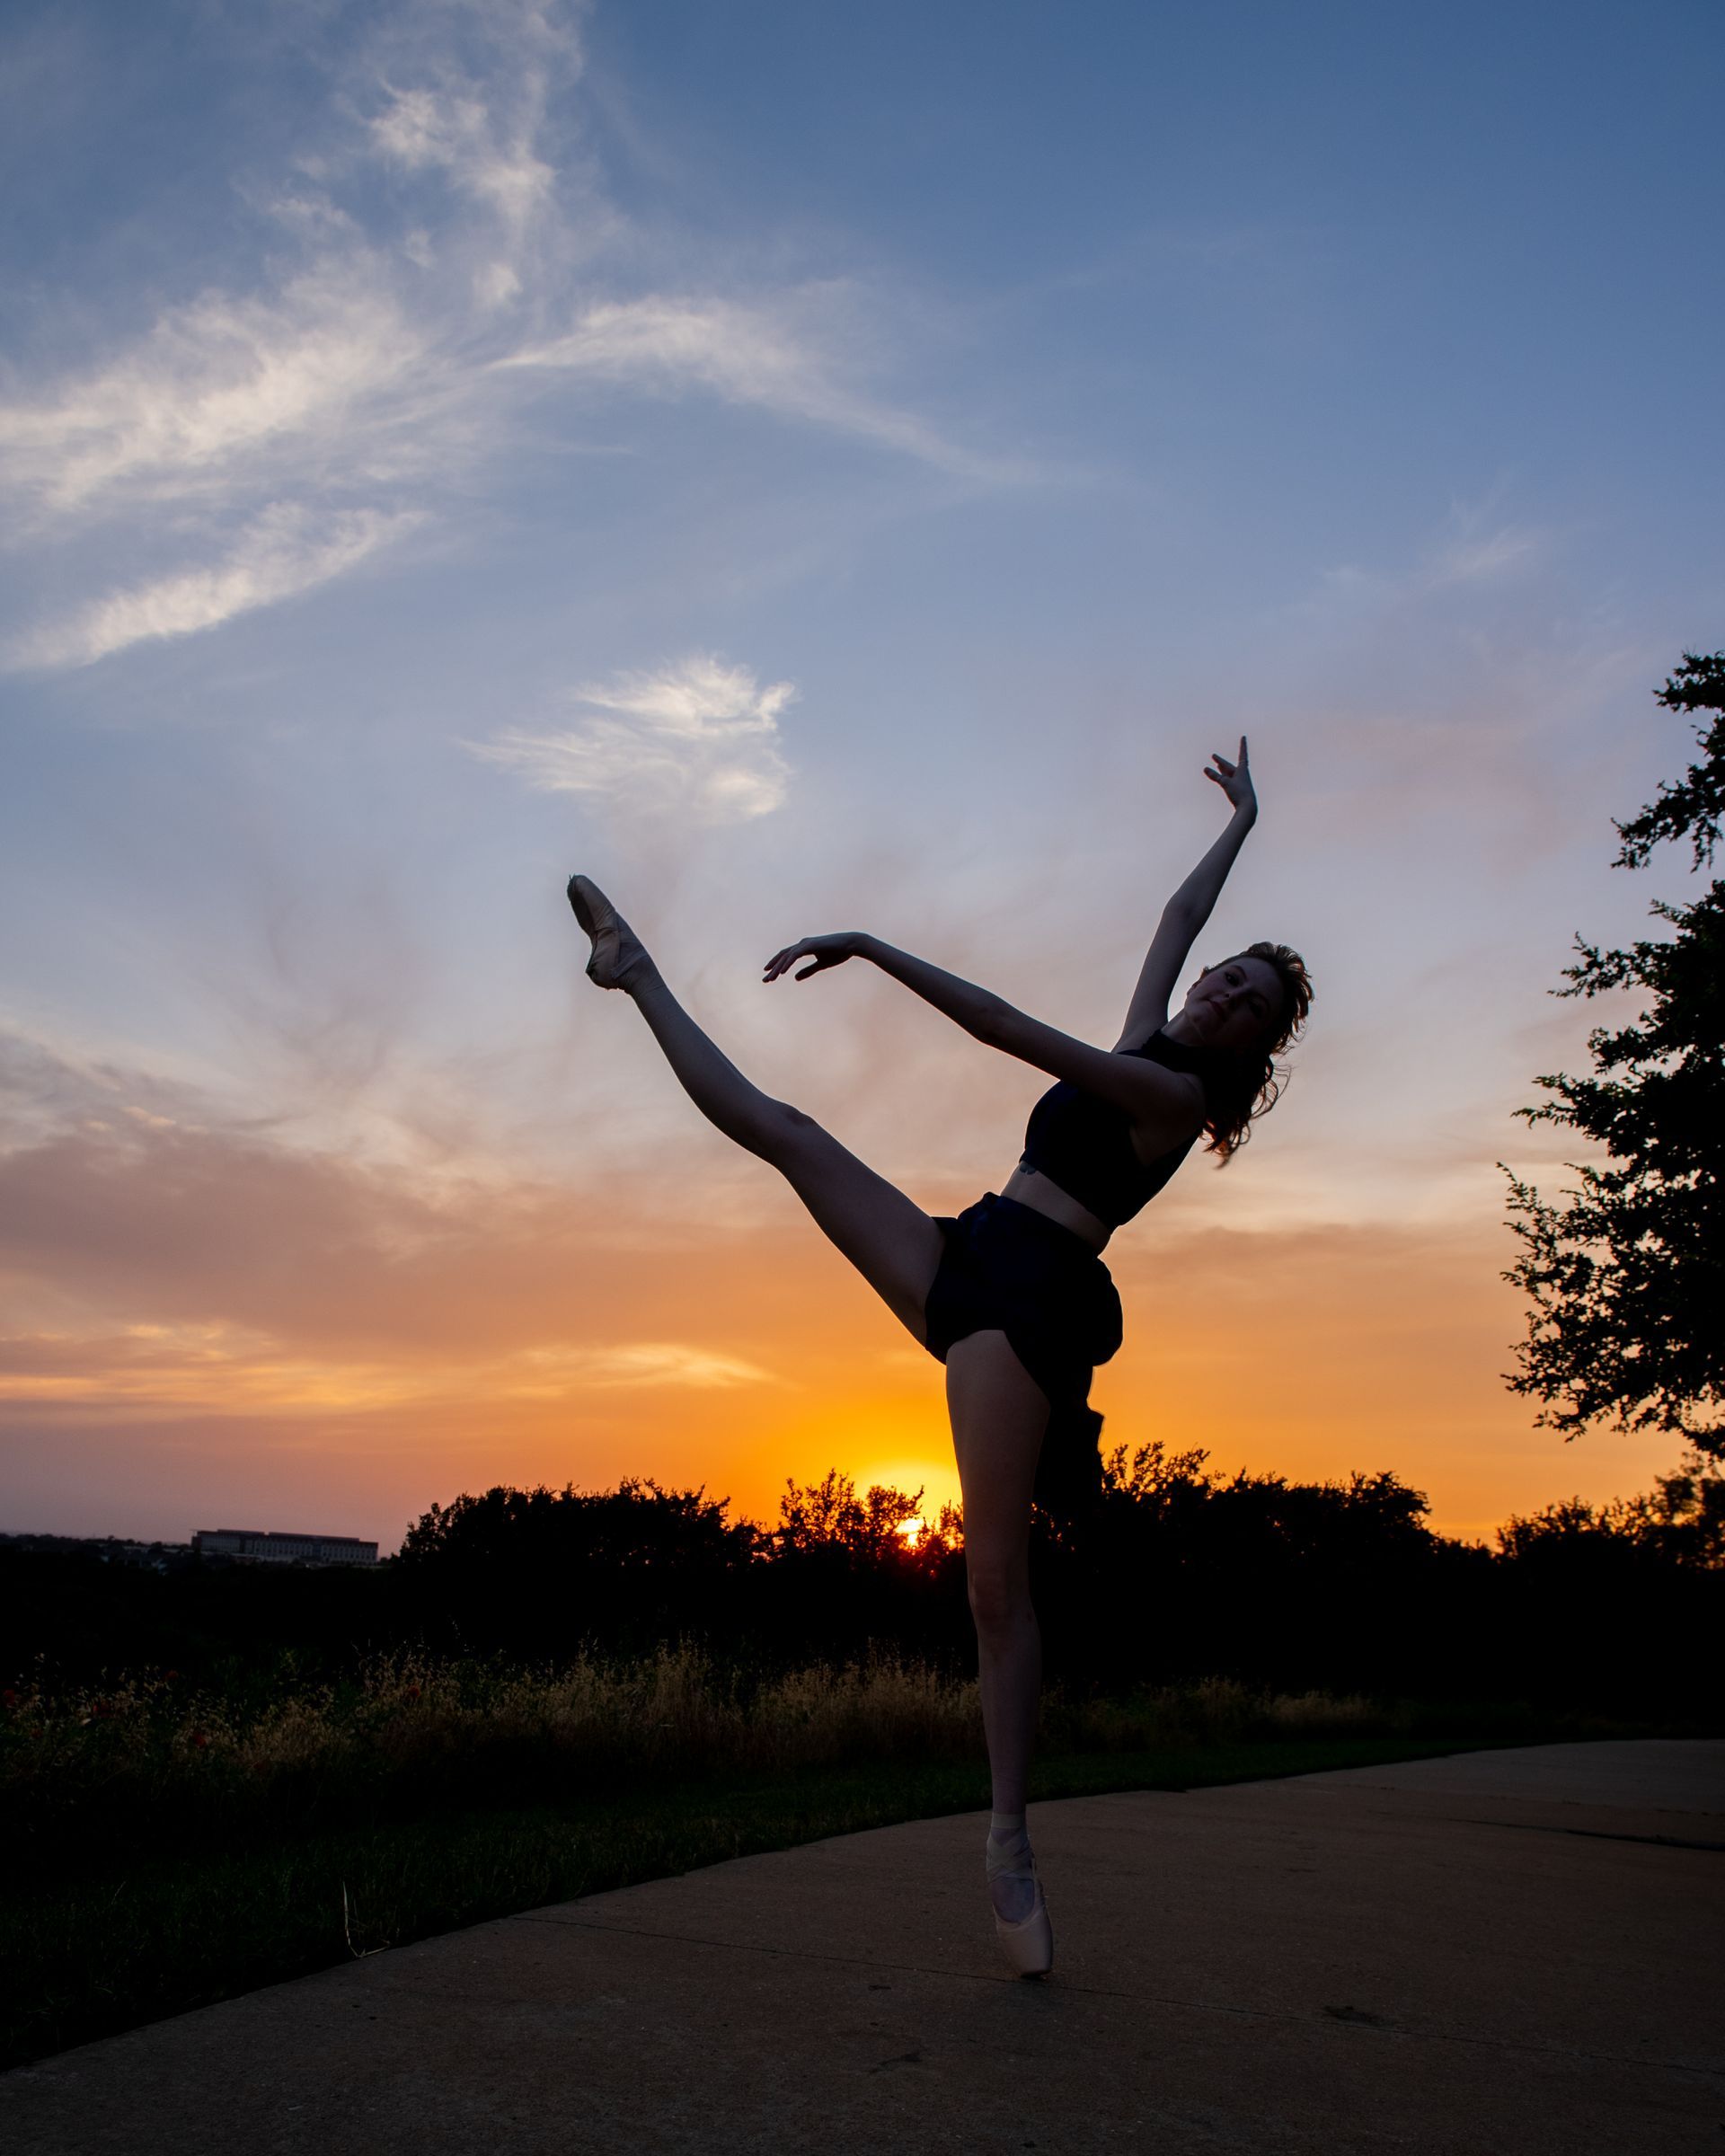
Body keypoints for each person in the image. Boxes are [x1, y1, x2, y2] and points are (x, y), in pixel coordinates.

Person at [566, 737, 1311, 1978]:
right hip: (973, 1248)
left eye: (1252, 1007)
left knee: (992, 1591)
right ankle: (634, 972)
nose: (1225, 993)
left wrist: (872, 949)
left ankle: (1008, 1840)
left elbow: (1010, 1028)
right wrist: (1243, 821)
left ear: (1251, 1055)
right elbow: (1180, 916)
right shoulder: (1155, 1031)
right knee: (788, 1132)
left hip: (1029, 1306)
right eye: (1231, 978)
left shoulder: (1168, 1098)